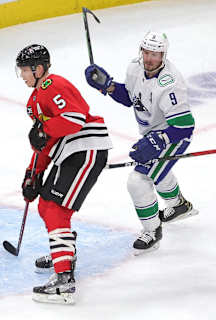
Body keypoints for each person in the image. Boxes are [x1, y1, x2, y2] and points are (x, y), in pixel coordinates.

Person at [84, 31, 198, 255]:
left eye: (155, 54)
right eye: (146, 52)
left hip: (173, 134)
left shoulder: (170, 83)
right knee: (157, 169)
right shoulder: (135, 68)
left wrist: (159, 140)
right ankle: (178, 205)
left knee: (138, 179)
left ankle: (152, 231)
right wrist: (107, 86)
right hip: (153, 132)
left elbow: (185, 126)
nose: (149, 58)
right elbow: (132, 99)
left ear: (163, 55)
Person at [15, 44, 113, 304]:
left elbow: (74, 119)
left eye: (25, 70)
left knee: (56, 209)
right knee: (47, 206)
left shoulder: (52, 85)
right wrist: (32, 174)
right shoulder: (33, 100)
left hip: (85, 149)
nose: (22, 75)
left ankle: (63, 283)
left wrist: (44, 129)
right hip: (68, 153)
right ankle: (64, 254)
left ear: (38, 69)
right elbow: (44, 143)